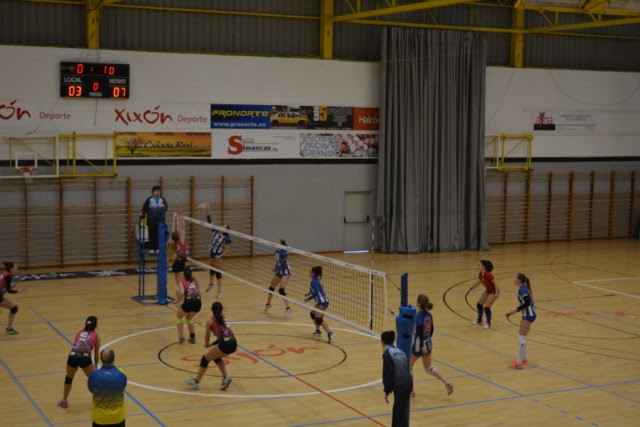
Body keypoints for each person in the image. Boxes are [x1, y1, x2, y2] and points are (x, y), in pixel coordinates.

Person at [185, 302, 237, 390]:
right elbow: (226, 335)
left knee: (204, 360)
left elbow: (207, 337)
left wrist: (207, 344)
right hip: (233, 343)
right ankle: (225, 378)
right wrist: (212, 344)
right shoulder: (225, 319)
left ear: (212, 310)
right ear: (222, 310)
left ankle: (196, 382)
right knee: (216, 357)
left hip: (225, 344)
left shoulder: (210, 321)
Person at [410, 295, 453, 397]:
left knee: (408, 366)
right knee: (428, 368)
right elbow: (432, 329)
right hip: (428, 342)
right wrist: (427, 341)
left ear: (418, 303)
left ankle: (411, 390)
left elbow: (419, 331)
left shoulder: (418, 316)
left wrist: (421, 345)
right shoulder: (429, 314)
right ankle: (447, 382)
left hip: (419, 345)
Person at [57, 316, 101, 409]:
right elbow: (96, 355)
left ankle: (64, 401)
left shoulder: (79, 332)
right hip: (85, 358)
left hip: (73, 356)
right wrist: (96, 366)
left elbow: (77, 345)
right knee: (95, 380)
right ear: (95, 325)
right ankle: (99, 402)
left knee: (68, 379)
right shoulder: (96, 336)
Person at [88, 347, 127, 427]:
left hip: (99, 419)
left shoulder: (93, 375)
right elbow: (123, 388)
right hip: (118, 418)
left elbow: (91, 389)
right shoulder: (122, 374)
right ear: (114, 359)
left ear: (101, 359)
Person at [381, 330, 413, 427]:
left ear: (382, 342)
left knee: (400, 415)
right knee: (398, 412)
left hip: (401, 387)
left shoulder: (387, 354)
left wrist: (387, 390)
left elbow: (388, 373)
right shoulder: (401, 352)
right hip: (408, 385)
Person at [505, 273, 537, 369]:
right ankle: (523, 359)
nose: (513, 279)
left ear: (519, 280)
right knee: (521, 336)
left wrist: (516, 309)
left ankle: (519, 362)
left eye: (515, 278)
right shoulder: (523, 288)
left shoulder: (522, 289)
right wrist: (514, 311)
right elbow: (528, 302)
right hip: (529, 314)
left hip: (528, 315)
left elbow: (527, 302)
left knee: (521, 337)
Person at [202, 205, 231, 300]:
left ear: (226, 230)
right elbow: (210, 222)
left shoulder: (226, 238)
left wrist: (220, 255)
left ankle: (219, 292)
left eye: (224, 227)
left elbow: (226, 250)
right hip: (212, 253)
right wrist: (207, 212)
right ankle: (211, 284)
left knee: (218, 273)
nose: (222, 227)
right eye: (223, 226)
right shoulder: (215, 230)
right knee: (211, 270)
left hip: (219, 255)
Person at [304, 266, 335, 343]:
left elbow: (316, 293)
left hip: (322, 302)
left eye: (310, 271)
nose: (309, 273)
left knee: (319, 319)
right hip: (321, 301)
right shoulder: (316, 280)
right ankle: (318, 331)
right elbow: (317, 290)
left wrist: (308, 298)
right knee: (312, 314)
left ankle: (330, 333)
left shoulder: (314, 281)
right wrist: (309, 293)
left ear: (313, 273)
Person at [263, 239, 292, 318]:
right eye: (276, 243)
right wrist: (275, 268)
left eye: (278, 243)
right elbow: (278, 263)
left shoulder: (283, 253)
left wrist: (275, 269)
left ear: (282, 245)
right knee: (271, 288)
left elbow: (284, 266)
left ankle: (288, 308)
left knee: (281, 290)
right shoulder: (276, 252)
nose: (276, 244)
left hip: (285, 272)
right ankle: (268, 304)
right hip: (279, 272)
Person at [469, 260, 499, 329]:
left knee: (487, 308)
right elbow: (480, 280)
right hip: (488, 291)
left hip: (493, 292)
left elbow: (496, 283)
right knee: (479, 304)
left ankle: (488, 323)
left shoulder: (488, 274)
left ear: (483, 266)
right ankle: (479, 320)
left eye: (479, 265)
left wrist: (496, 293)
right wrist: (473, 286)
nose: (478, 266)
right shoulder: (481, 273)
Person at [166, 208, 189, 301]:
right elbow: (182, 227)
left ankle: (177, 299)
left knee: (177, 283)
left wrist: (179, 216)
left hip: (176, 264)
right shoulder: (181, 241)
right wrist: (181, 216)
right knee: (181, 283)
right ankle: (181, 298)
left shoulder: (174, 243)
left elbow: (180, 228)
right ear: (179, 236)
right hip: (180, 264)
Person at [175, 268, 202, 344]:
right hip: (198, 303)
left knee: (179, 317)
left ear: (184, 275)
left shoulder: (182, 282)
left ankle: (181, 337)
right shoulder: (196, 281)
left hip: (189, 302)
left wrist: (177, 301)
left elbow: (182, 293)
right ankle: (192, 338)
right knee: (189, 318)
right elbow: (200, 295)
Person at [141, 185, 168, 253]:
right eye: (156, 191)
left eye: (158, 191)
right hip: (151, 220)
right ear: (153, 192)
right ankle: (151, 248)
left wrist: (163, 207)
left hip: (160, 220)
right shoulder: (149, 199)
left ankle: (158, 248)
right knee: (151, 234)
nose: (157, 192)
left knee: (159, 235)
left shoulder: (162, 199)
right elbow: (144, 207)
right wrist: (143, 213)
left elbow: (166, 208)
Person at [0, 261, 20, 334]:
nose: (17, 267)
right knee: (14, 308)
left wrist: (12, 286)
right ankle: (9, 328)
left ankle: (9, 328)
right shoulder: (8, 276)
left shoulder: (7, 274)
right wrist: (18, 291)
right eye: (16, 266)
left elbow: (4, 286)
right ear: (12, 268)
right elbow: (9, 291)